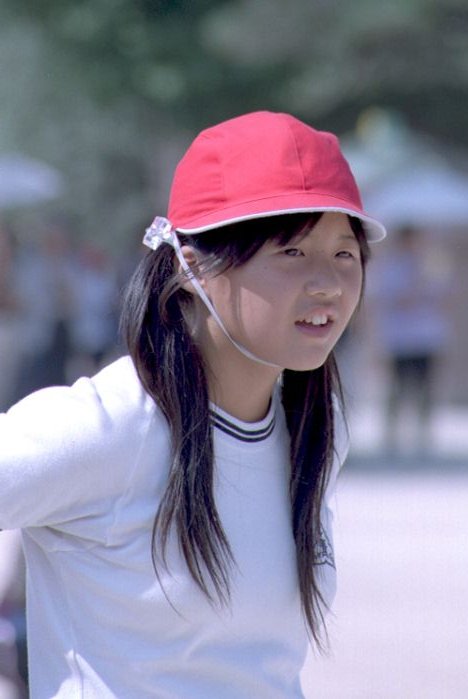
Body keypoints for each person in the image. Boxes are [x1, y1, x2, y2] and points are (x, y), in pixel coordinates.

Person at [0, 111, 386, 698]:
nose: (328, 284)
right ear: (191, 264)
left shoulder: (316, 427)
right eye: (291, 251)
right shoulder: (110, 428)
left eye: (344, 254)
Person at [369, 224, 451, 453]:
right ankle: (391, 436)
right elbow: (388, 300)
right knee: (397, 387)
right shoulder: (391, 268)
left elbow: (446, 298)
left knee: (426, 387)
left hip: (427, 337)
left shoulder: (432, 265)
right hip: (400, 339)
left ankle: (424, 434)